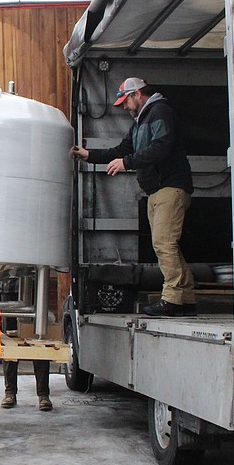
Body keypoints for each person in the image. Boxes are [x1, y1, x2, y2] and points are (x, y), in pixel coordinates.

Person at [71, 77, 195, 317]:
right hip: (157, 190)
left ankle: (172, 299)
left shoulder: (160, 112)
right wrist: (89, 155)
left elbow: (162, 146)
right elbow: (121, 150)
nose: (124, 108)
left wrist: (127, 162)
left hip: (170, 187)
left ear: (137, 94)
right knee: (167, 244)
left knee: (163, 244)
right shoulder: (140, 121)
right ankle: (186, 298)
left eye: (125, 102)